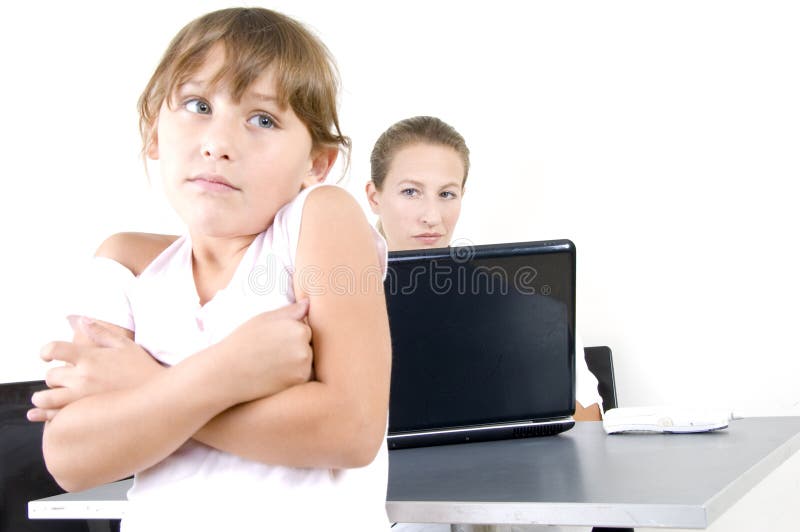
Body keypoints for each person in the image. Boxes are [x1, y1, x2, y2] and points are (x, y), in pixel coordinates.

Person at [27, 8, 391, 531]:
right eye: (198, 105)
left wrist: (147, 387)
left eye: (262, 119)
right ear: (154, 132)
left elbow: (351, 431)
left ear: (317, 163)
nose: (219, 143)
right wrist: (227, 372)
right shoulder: (125, 262)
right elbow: (72, 458)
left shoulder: (322, 219)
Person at [366, 115, 602, 421]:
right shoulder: (333, 302)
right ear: (375, 197)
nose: (432, 216)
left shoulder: (528, 308)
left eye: (446, 194)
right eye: (411, 192)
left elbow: (586, 426)